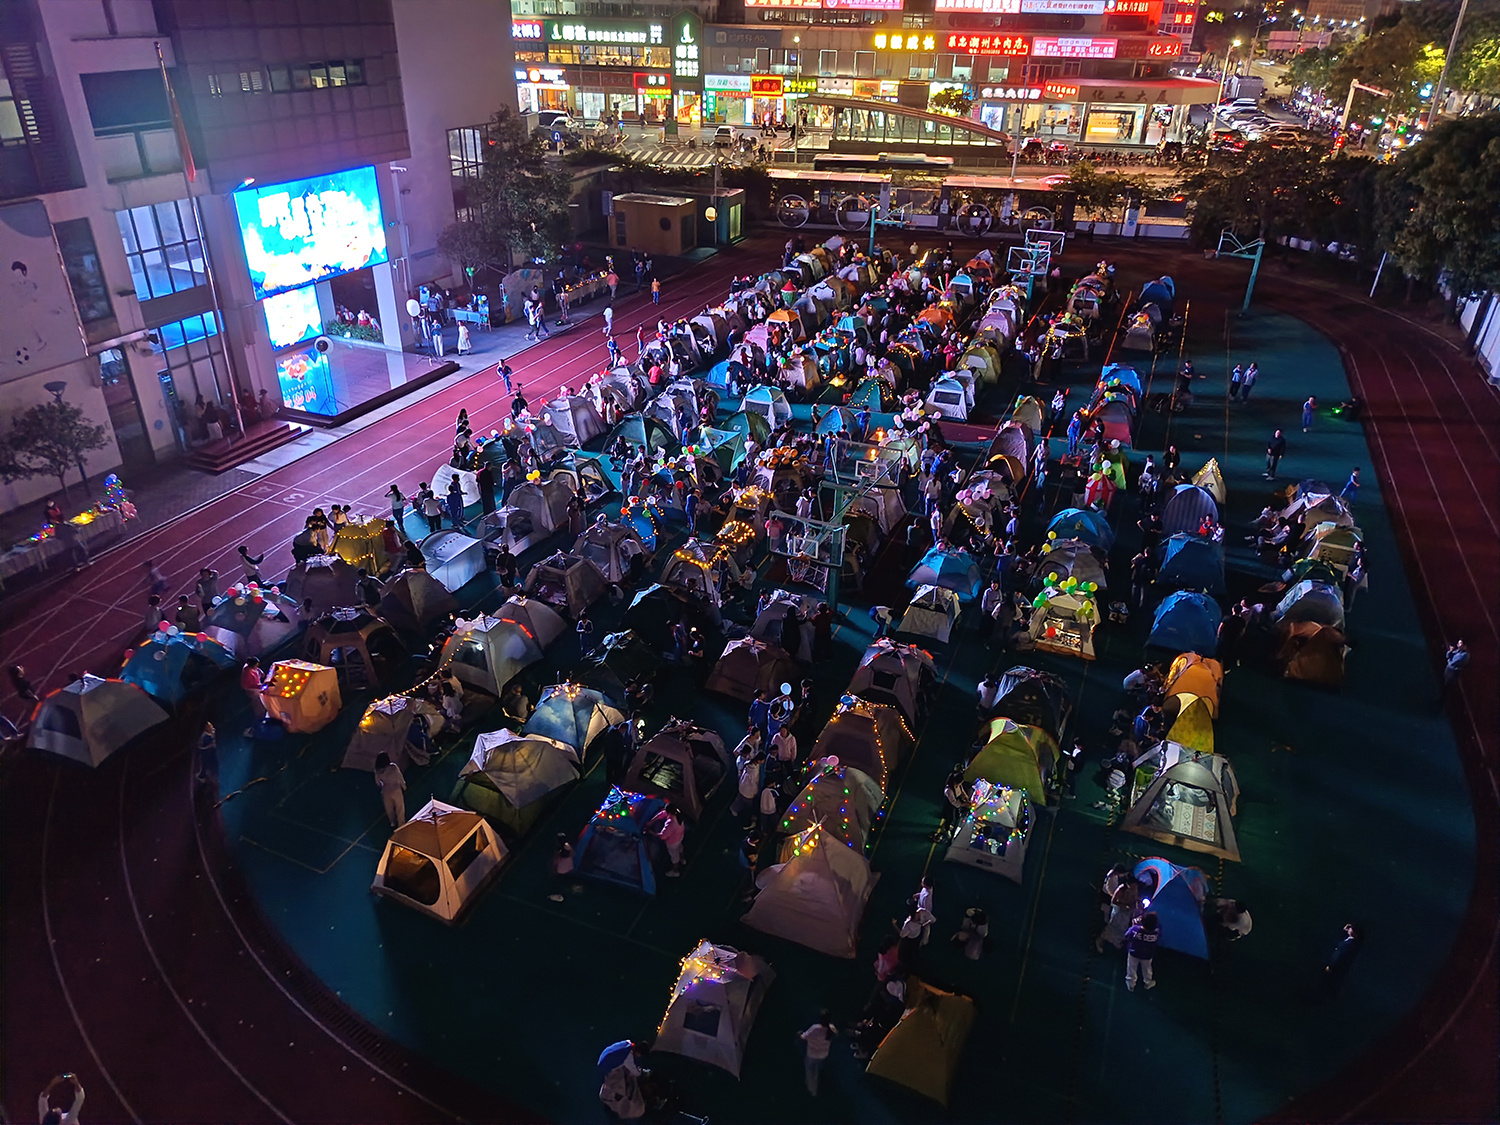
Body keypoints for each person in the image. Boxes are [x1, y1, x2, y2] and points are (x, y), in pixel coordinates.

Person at [1319, 922, 1363, 996]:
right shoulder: (1349, 941)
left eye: (1351, 928)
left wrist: (1331, 967)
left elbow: (1340, 955)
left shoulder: (1351, 944)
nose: (1349, 929)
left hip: (1336, 968)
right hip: (1336, 967)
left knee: (1328, 985)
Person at [799, 1013, 837, 1095]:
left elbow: (804, 1037)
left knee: (810, 1070)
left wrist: (799, 1034)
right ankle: (817, 1086)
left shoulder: (815, 1029)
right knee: (817, 1069)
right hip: (823, 1055)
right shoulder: (832, 1030)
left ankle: (811, 1090)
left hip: (812, 1055)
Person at [1124, 911, 1160, 991]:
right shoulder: (1156, 933)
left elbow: (1127, 935)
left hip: (1134, 953)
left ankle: (1130, 984)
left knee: (1131, 968)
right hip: (1147, 955)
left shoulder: (1135, 929)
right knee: (1147, 970)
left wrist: (1134, 925)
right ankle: (1148, 982)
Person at [373, 751, 407, 827]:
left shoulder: (377, 771)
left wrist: (383, 787)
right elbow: (399, 776)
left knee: (389, 808)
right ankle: (401, 824)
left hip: (386, 791)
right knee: (400, 807)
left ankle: (392, 822)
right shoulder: (393, 767)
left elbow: (378, 782)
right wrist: (403, 785)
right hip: (396, 789)